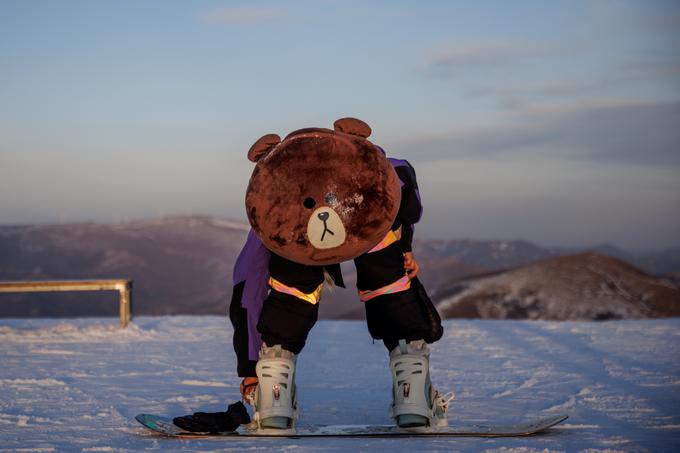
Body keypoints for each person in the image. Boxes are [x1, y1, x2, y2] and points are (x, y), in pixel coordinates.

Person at [174, 123, 450, 433]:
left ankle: (272, 401)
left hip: (297, 234)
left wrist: (251, 368)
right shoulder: (372, 168)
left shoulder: (280, 208)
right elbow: (403, 183)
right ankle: (412, 397)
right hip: (365, 216)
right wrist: (404, 246)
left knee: (291, 290)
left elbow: (247, 286)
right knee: (388, 282)